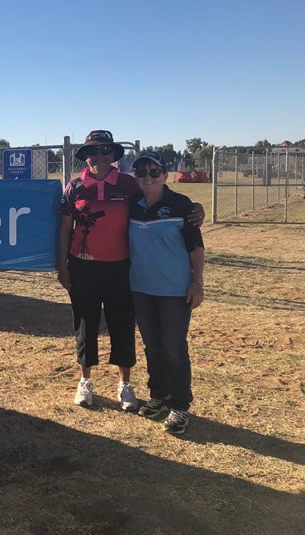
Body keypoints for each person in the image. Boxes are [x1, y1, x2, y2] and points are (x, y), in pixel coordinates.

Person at [57, 130, 140, 410]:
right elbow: (64, 230)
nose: (99, 156)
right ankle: (85, 381)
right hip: (83, 267)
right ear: (85, 156)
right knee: (85, 325)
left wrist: (194, 208)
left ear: (113, 154)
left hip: (121, 267)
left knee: (122, 324)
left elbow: (157, 203)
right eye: (92, 151)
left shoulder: (129, 185)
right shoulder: (74, 187)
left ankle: (125, 385)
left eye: (105, 150)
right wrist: (62, 267)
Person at [128, 152, 205, 435]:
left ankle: (180, 405)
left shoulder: (181, 205)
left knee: (174, 348)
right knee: (153, 346)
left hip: (174, 290)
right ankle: (158, 395)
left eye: (154, 171)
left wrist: (197, 282)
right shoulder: (131, 205)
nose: (147, 177)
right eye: (141, 172)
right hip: (140, 288)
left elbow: (196, 247)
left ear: (165, 175)